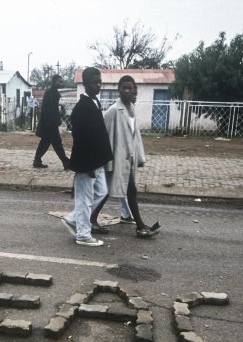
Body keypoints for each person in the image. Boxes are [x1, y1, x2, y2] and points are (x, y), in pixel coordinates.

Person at [98, 75, 160, 238]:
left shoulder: (131, 109)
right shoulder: (113, 111)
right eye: (123, 87)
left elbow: (135, 137)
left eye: (130, 87)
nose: (127, 90)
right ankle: (139, 226)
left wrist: (138, 157)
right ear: (118, 90)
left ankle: (138, 224)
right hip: (116, 159)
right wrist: (108, 160)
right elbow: (106, 136)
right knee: (108, 191)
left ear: (134, 90)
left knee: (127, 190)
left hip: (128, 159)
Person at [60, 67, 113, 247]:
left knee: (102, 192)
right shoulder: (82, 107)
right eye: (93, 82)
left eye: (99, 82)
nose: (98, 85)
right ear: (85, 84)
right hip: (87, 163)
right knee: (84, 198)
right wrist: (88, 165)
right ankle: (83, 235)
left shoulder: (93, 102)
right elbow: (81, 139)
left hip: (96, 161)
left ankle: (73, 219)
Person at [33, 74, 69, 170]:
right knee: (57, 143)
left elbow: (53, 110)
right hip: (49, 124)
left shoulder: (52, 92)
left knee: (45, 143)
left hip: (49, 124)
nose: (61, 83)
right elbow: (50, 111)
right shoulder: (51, 93)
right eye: (60, 81)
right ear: (54, 82)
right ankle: (65, 162)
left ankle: (37, 161)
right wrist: (54, 123)